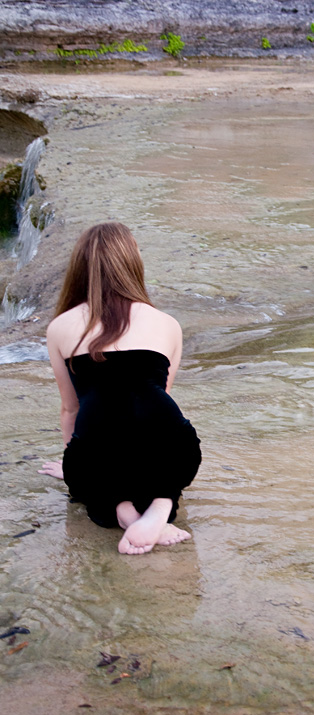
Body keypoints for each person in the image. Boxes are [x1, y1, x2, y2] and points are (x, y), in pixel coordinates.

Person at [38, 222, 202, 555]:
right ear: (133, 264)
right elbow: (158, 401)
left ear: (79, 269)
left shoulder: (60, 327)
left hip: (101, 444)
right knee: (165, 449)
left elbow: (71, 409)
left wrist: (74, 468)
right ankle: (159, 506)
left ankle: (125, 514)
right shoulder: (167, 323)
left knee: (97, 477)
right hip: (173, 447)